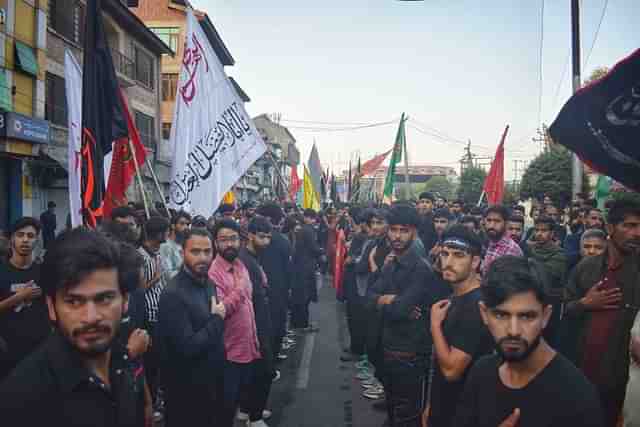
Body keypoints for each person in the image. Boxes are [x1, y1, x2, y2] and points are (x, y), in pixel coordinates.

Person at [0, 228, 147, 426]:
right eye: (74, 302)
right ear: (52, 307)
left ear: (125, 300)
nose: (91, 317)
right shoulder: (21, 397)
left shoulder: (124, 362)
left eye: (104, 298)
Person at [453, 255, 604, 427]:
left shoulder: (577, 393)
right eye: (501, 315)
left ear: (545, 316)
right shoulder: (481, 373)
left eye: (526, 316)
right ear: (484, 314)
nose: (513, 331)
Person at [367, 205, 448, 427]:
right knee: (393, 407)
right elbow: (370, 297)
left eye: (404, 230)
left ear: (414, 232)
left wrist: (387, 301)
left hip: (410, 355)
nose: (397, 236)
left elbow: (401, 310)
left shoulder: (420, 269)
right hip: (387, 347)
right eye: (393, 229)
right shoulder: (391, 263)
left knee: (408, 415)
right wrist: (390, 300)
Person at [565, 199, 640, 426]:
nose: (637, 233)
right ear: (609, 228)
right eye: (629, 225)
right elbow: (563, 312)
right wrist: (585, 304)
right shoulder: (586, 268)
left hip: (624, 384)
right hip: (583, 376)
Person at [157, 227, 226, 426]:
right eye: (195, 252)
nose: (203, 257)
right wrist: (217, 320)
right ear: (182, 253)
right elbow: (187, 347)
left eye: (207, 252)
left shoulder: (209, 283)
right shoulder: (174, 294)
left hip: (212, 384)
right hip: (186, 394)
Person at [427, 225, 494, 427]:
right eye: (445, 254)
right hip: (444, 405)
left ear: (475, 261)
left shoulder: (476, 305)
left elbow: (451, 371)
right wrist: (432, 405)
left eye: (458, 255)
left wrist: (435, 326)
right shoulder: (456, 296)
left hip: (460, 413)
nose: (448, 262)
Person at [209, 219, 261, 427]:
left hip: (247, 345)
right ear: (216, 243)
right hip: (229, 352)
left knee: (242, 397)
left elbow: (250, 299)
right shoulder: (214, 273)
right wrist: (241, 287)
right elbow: (221, 309)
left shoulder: (240, 264)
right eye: (224, 240)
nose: (229, 244)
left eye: (233, 239)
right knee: (225, 405)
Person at [0, 217, 50, 380]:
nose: (25, 240)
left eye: (30, 236)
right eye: (20, 235)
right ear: (12, 239)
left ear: (37, 240)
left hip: (39, 351)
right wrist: (19, 297)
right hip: (8, 351)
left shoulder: (44, 272)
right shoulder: (2, 272)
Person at [238, 217, 276, 427]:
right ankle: (255, 417)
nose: (266, 242)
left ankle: (248, 409)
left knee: (255, 369)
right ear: (250, 235)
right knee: (264, 371)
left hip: (259, 318)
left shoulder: (253, 257)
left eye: (269, 237)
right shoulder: (246, 260)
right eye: (262, 237)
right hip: (254, 323)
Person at [138, 215, 171, 411]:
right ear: (158, 233)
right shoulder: (140, 257)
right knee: (150, 364)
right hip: (148, 317)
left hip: (161, 314)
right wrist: (156, 278)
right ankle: (149, 404)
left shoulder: (157, 254)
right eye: (166, 231)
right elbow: (138, 289)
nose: (168, 234)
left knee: (160, 362)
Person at [255, 204, 292, 361]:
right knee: (276, 324)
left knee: (264, 326)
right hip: (279, 290)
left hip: (263, 290)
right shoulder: (283, 241)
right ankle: (272, 358)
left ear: (268, 219)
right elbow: (289, 269)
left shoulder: (257, 240)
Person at [290, 209, 323, 331]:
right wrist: (322, 251)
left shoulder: (302, 230)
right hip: (306, 267)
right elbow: (313, 248)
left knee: (299, 296)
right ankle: (303, 324)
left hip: (299, 266)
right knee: (305, 297)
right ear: (310, 218)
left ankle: (296, 323)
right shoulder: (308, 230)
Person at [481, 205, 523, 276]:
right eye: (489, 220)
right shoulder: (491, 242)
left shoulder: (511, 249)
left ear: (506, 224)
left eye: (497, 221)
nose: (491, 225)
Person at [159, 211, 191, 281]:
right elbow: (168, 275)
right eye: (182, 223)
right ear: (173, 226)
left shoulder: (185, 244)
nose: (186, 227)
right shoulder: (165, 246)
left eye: (187, 224)